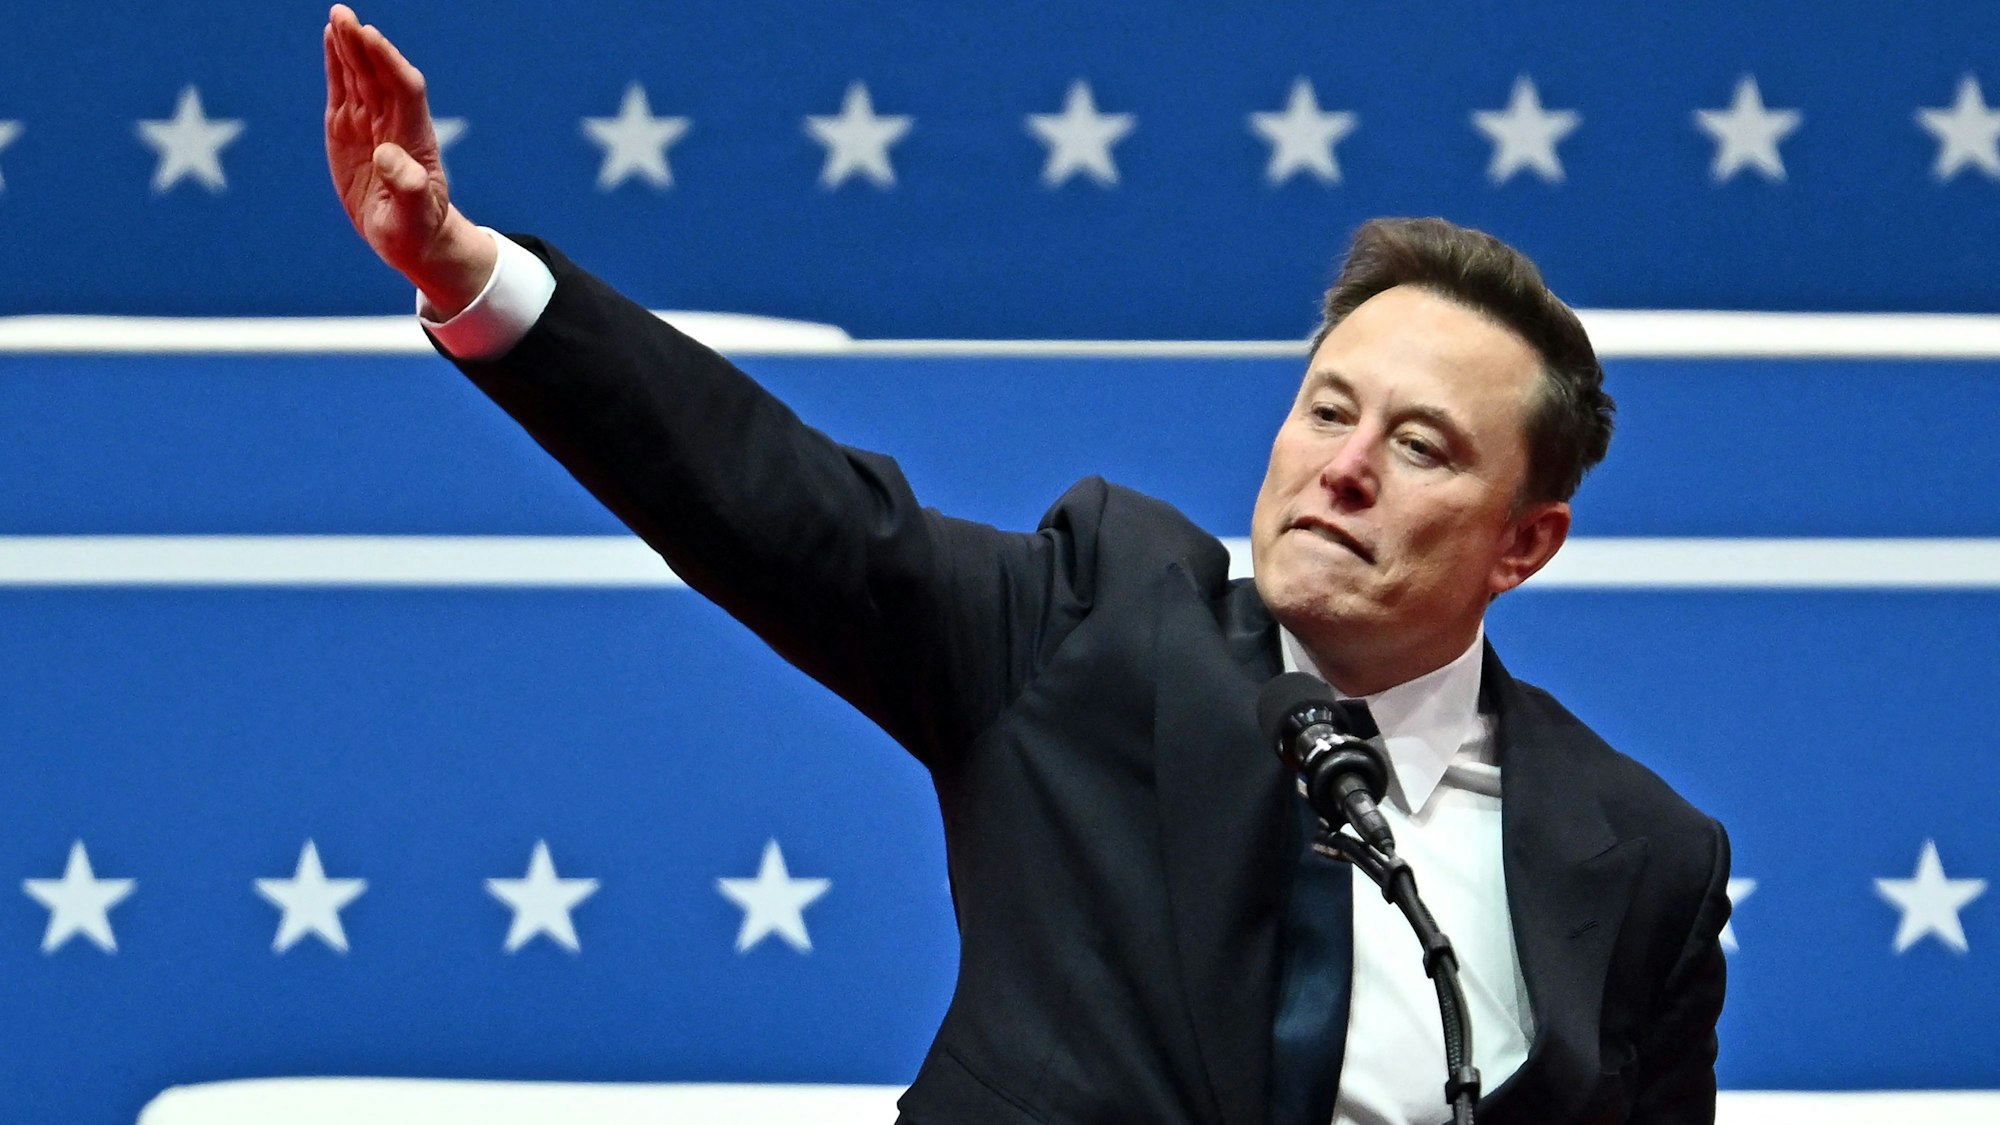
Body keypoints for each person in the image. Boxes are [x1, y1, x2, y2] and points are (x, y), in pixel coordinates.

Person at [322, 7, 1731, 1123]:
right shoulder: (1093, 625)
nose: (1344, 465)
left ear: (1525, 541)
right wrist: (465, 273)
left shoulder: (1643, 854)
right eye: (1326, 407)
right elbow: (775, 500)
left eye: (1421, 444)